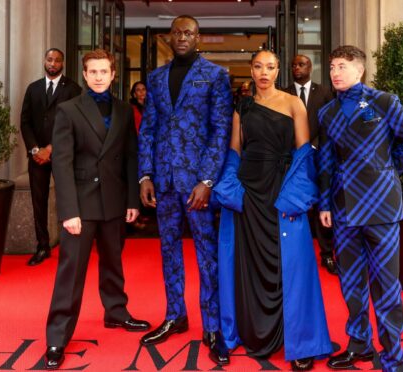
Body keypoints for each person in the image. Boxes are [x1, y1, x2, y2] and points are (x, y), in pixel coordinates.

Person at [214, 50, 332, 371]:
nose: (263, 72)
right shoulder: (243, 106)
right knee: (247, 263)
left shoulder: (294, 103)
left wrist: (296, 195)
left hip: (282, 194)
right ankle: (251, 331)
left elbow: (304, 153)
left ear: (278, 70)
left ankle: (300, 339)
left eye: (270, 66)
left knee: (290, 263)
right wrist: (230, 190)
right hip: (248, 194)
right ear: (251, 71)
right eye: (257, 66)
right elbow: (234, 151)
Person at [318, 45, 403, 372]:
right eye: (332, 66)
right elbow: (324, 161)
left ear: (359, 70)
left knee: (386, 284)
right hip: (343, 208)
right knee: (350, 282)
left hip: (381, 207)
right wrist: (324, 202)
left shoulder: (384, 102)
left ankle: (394, 357)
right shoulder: (326, 113)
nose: (335, 72)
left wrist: (388, 168)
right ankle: (359, 345)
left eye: (342, 66)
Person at [44, 49, 150, 369]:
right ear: (86, 75)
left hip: (115, 202)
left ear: (114, 74)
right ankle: (57, 337)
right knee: (71, 273)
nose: (100, 77)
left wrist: (132, 201)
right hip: (81, 204)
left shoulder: (122, 109)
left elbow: (131, 156)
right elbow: (61, 164)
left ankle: (116, 313)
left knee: (113, 263)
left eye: (105, 71)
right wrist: (68, 211)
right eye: (94, 72)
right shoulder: (68, 110)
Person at [137, 15, 233, 365]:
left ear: (198, 37)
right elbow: (148, 128)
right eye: (176, 32)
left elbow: (220, 130)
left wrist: (207, 181)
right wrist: (144, 175)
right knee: (168, 251)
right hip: (163, 181)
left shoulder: (216, 76)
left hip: (197, 186)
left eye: (188, 33)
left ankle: (212, 326)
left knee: (207, 257)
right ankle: (175, 315)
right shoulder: (155, 77)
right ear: (169, 36)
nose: (182, 37)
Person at [20, 48, 81, 266]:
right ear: (44, 61)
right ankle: (42, 246)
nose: (52, 63)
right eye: (49, 59)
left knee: (68, 199)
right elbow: (25, 122)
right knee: (39, 202)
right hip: (37, 157)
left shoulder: (73, 89)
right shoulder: (33, 88)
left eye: (57, 60)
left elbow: (76, 124)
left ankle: (71, 248)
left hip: (62, 154)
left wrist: (52, 148)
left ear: (63, 63)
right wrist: (36, 149)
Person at [284, 54, 336, 275]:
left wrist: (313, 146)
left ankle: (326, 255)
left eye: (302, 64)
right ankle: (294, 256)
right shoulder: (283, 93)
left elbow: (330, 122)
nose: (297, 67)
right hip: (291, 159)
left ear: (310, 67)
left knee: (322, 205)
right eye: (294, 64)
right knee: (295, 205)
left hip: (319, 156)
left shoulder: (325, 92)